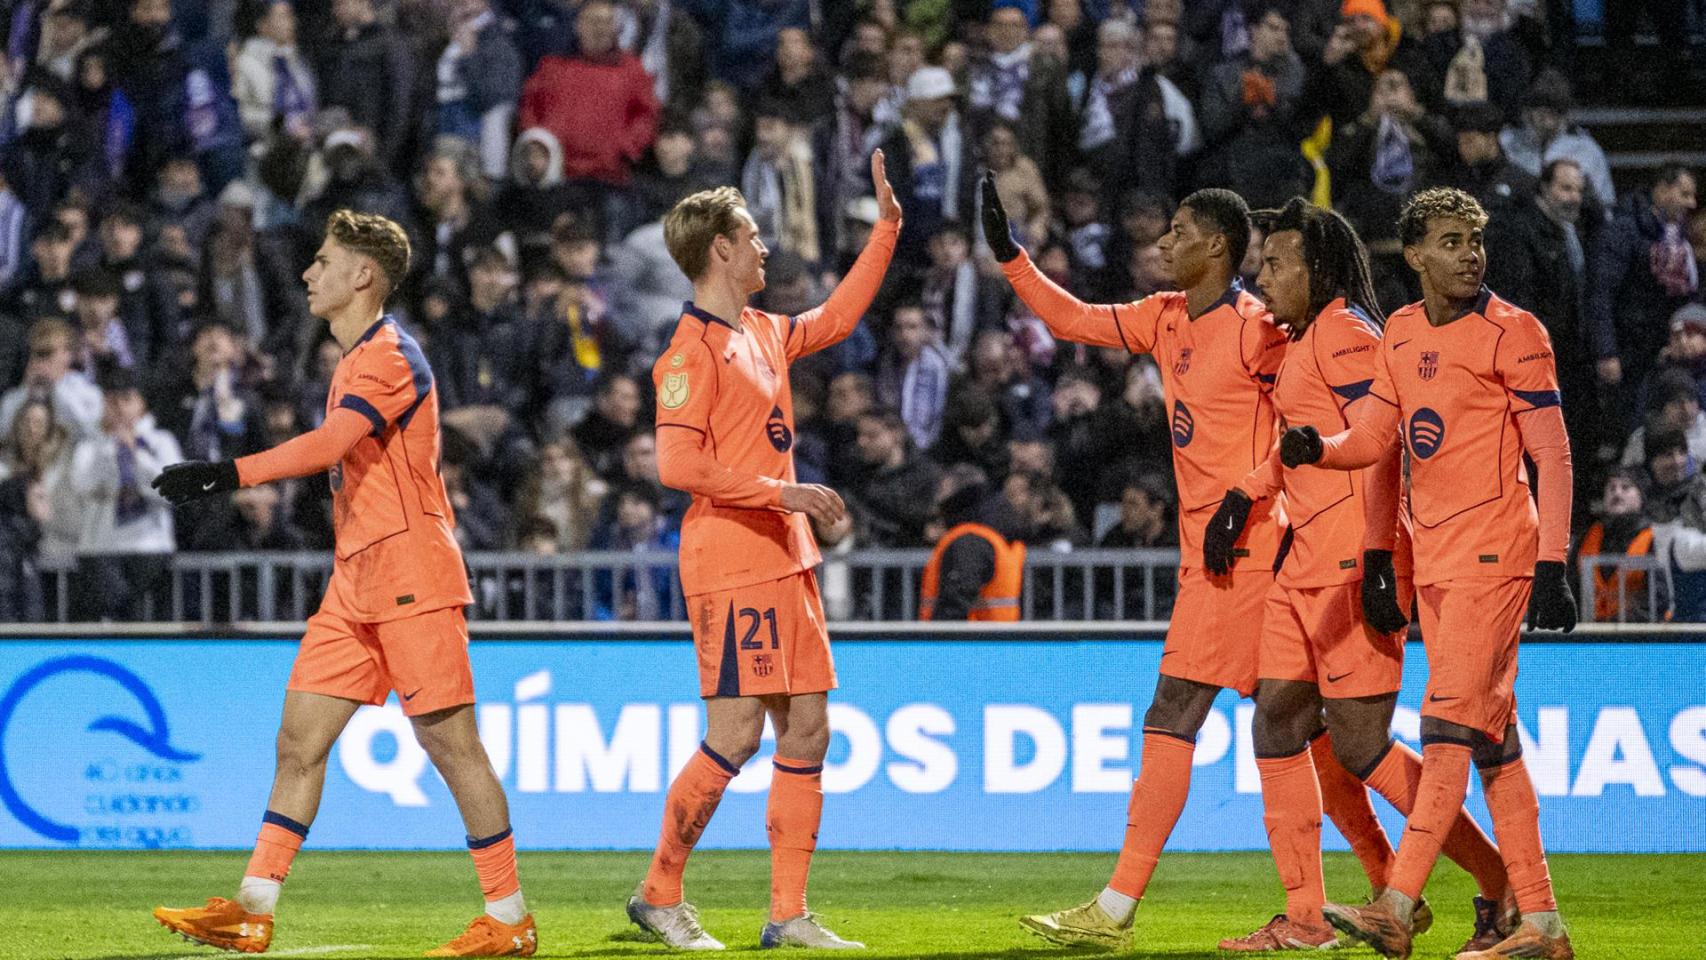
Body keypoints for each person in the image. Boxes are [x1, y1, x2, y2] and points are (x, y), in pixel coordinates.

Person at [983, 177, 1394, 949]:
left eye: (1176, 231)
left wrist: (1274, 506)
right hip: (1211, 554)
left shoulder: (1258, 329)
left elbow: (1318, 419)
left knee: (1180, 710)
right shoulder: (1164, 317)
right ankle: (1385, 887)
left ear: (1216, 246)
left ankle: (1117, 909)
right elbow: (1072, 317)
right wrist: (1011, 257)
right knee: (1306, 733)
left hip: (1253, 552)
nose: (1162, 243)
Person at [149, 211, 535, 957]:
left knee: (455, 751)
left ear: (363, 274)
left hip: (413, 579)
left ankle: (511, 919)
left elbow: (332, 444)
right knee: (298, 742)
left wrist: (228, 473)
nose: (306, 273)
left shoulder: (392, 354)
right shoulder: (354, 358)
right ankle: (254, 907)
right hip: (355, 584)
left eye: (322, 260)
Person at [1205, 199, 1512, 953]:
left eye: (1276, 263)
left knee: (1362, 745)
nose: (1263, 276)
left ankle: (1501, 882)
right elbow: (1305, 444)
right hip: (1301, 561)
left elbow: (1380, 445)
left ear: (1318, 269)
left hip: (1352, 562)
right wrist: (1247, 495)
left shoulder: (1346, 335)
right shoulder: (1308, 339)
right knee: (1278, 719)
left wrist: (1378, 554)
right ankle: (1309, 918)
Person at [1279, 187, 1577, 960]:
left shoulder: (1516, 333)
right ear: (1413, 254)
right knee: (1493, 744)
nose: (1468, 254)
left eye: (1474, 240)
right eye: (1450, 241)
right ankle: (1540, 925)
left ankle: (1398, 902)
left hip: (1498, 556)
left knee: (1443, 730)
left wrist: (1554, 564)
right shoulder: (1404, 332)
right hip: (1439, 565)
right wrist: (1323, 451)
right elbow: (1376, 436)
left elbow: (1553, 453)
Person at [626, 152, 900, 951]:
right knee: (738, 732)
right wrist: (785, 492)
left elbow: (840, 318)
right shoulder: (688, 353)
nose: (764, 248)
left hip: (787, 559)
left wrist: (885, 232)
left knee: (808, 728)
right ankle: (659, 894)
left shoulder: (766, 331)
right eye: (750, 235)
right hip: (733, 560)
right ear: (718, 248)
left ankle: (787, 916)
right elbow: (678, 467)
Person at [919, 480, 1026, 620]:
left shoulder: (970, 539)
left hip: (967, 638)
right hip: (991, 636)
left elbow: (958, 596)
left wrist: (941, 636)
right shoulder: (994, 535)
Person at [1572, 468, 1658, 623]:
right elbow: (1570, 589)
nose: (1617, 494)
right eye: (1611, 488)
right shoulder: (1587, 537)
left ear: (1641, 496)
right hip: (1589, 639)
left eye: (1626, 487)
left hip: (1641, 639)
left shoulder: (1654, 539)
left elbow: (1661, 600)